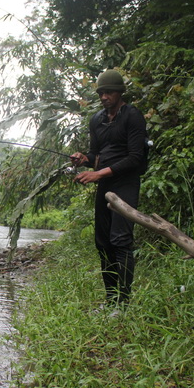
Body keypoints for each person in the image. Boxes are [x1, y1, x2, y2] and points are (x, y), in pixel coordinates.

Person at [70, 69, 148, 312]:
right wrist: (84, 159)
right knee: (103, 242)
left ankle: (123, 305)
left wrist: (98, 173)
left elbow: (135, 157)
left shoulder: (132, 116)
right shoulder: (97, 120)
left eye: (109, 92)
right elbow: (96, 155)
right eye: (101, 93)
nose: (104, 96)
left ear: (119, 93)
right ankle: (110, 300)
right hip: (104, 185)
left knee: (121, 241)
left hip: (125, 184)